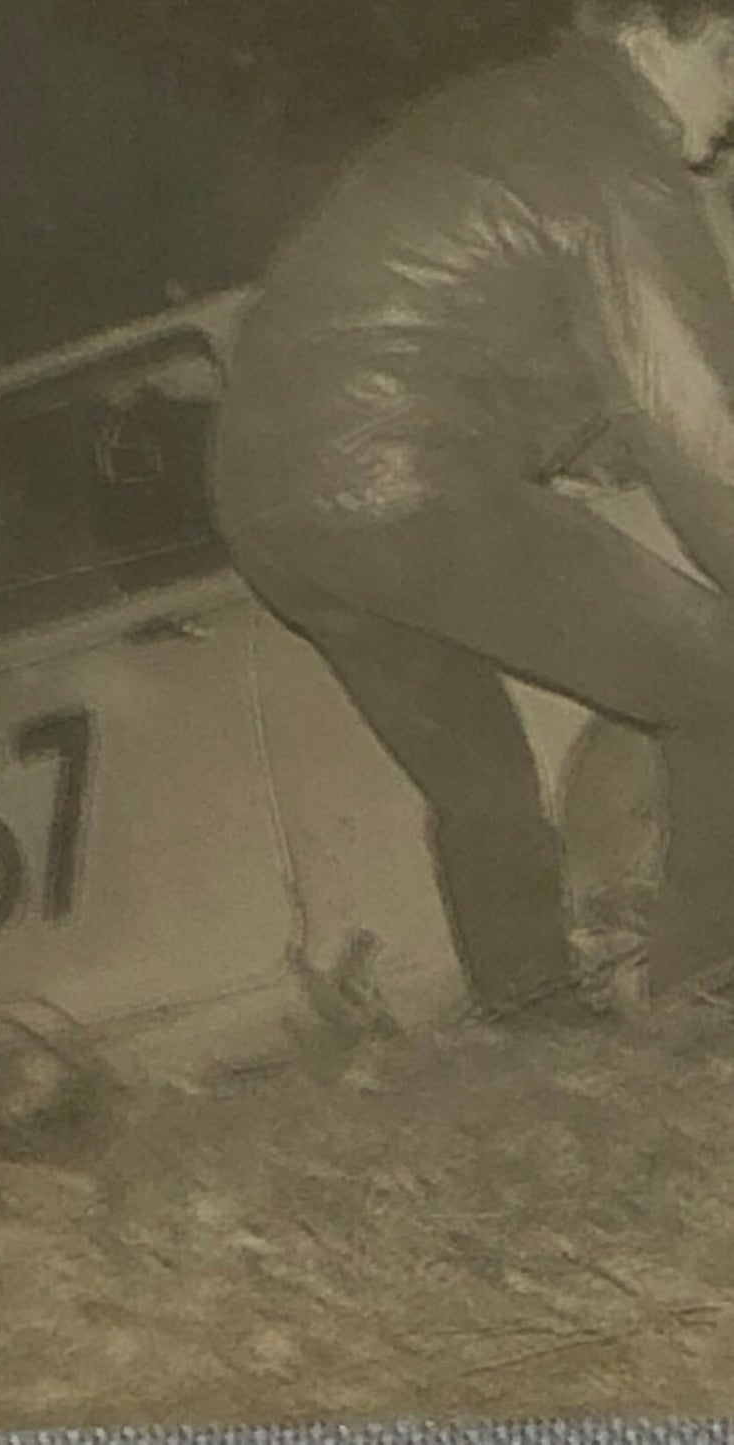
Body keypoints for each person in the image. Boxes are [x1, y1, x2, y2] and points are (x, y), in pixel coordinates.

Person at [211, 0, 734, 1022]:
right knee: (721, 683)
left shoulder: (517, 111)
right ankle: (703, 986)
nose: (733, 102)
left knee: (480, 781)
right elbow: (694, 423)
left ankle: (530, 1014)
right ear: (649, 37)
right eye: (726, 59)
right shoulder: (612, 148)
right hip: (405, 481)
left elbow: (485, 339)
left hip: (269, 502)